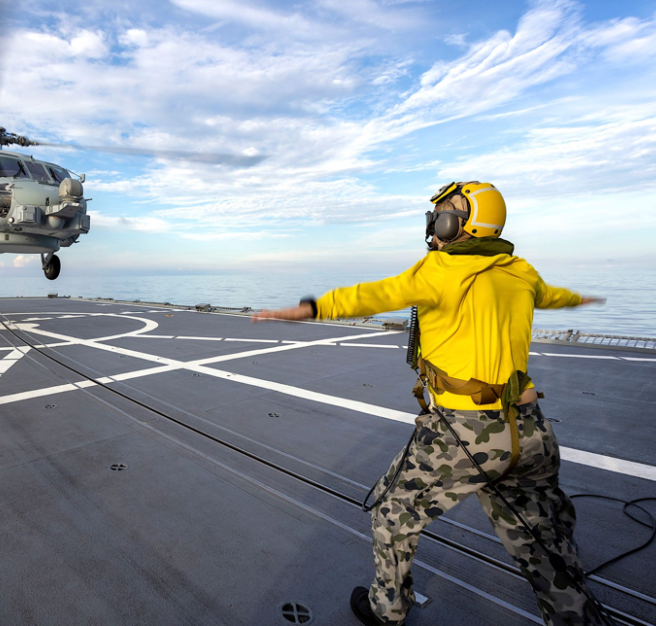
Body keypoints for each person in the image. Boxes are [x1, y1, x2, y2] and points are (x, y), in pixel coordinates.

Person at [253, 182, 606, 626]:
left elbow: (368, 296)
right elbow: (553, 295)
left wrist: (307, 309)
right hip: (531, 429)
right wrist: (581, 299)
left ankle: (387, 609)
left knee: (391, 515)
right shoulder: (521, 271)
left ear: (463, 223)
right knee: (543, 542)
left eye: (443, 214)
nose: (435, 221)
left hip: (465, 433)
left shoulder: (438, 269)